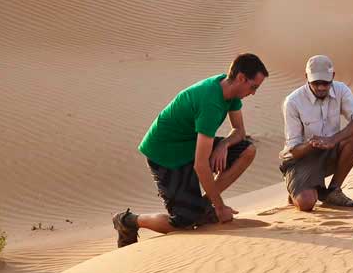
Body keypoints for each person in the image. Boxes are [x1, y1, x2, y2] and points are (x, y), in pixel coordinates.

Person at [112, 53, 268, 247]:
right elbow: (201, 165)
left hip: (191, 145)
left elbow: (239, 131)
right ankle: (128, 220)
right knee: (185, 222)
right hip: (165, 154)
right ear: (241, 78)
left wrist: (223, 144)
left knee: (247, 150)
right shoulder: (210, 102)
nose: (253, 93)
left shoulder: (230, 91)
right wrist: (219, 206)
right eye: (253, 87)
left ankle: (202, 206)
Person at [280, 55, 353, 211]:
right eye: (316, 83)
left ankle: (333, 190)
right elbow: (293, 150)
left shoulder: (341, 89)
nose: (321, 87)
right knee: (306, 203)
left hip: (330, 149)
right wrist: (311, 144)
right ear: (306, 78)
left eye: (326, 83)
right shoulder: (293, 102)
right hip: (302, 158)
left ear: (333, 77)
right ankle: (299, 187)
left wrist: (333, 140)